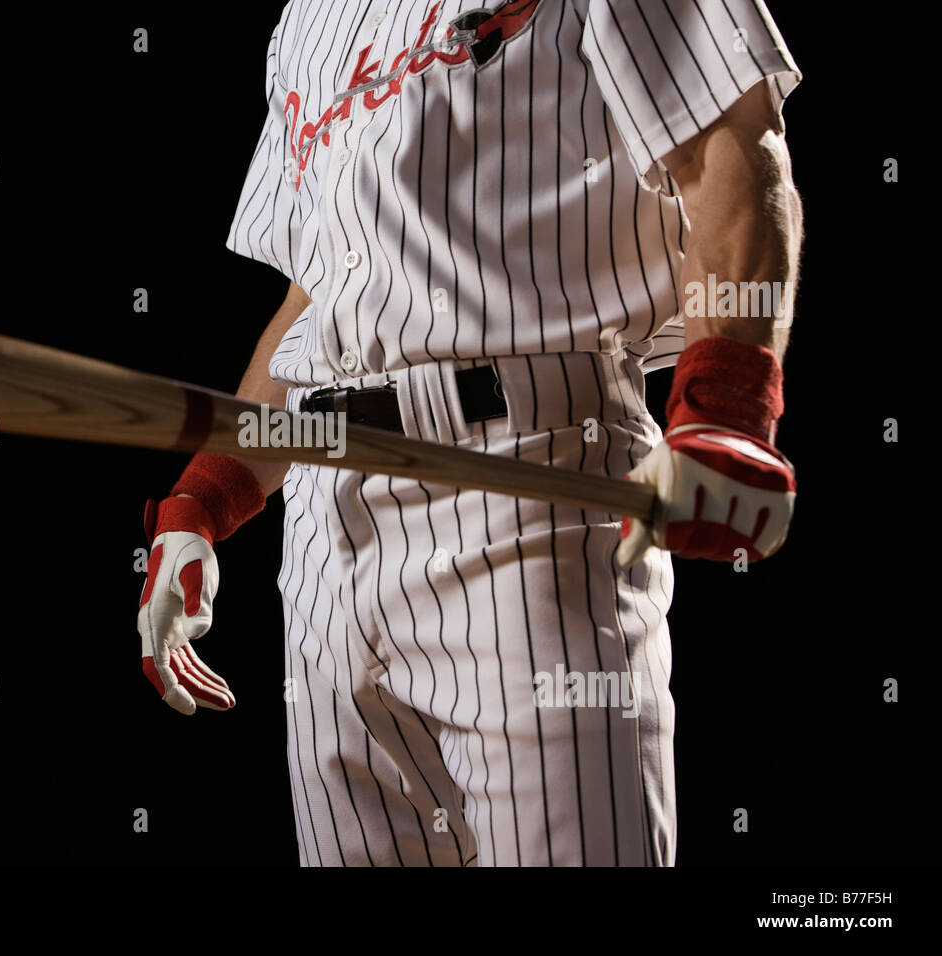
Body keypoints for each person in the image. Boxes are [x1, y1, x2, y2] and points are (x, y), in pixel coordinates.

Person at [138, 0, 801, 866]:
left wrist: (728, 407)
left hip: (527, 482)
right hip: (325, 525)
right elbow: (318, 296)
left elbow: (730, 149)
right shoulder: (306, 19)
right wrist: (204, 500)